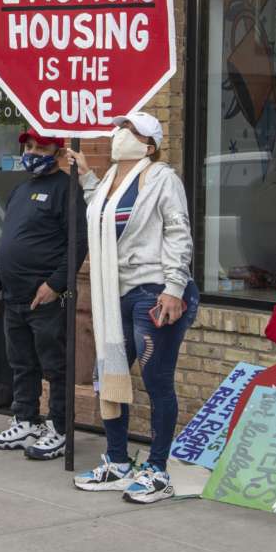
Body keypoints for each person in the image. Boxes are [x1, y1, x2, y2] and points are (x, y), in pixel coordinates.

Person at [69, 112, 200, 504]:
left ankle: (158, 470)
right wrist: (88, 177)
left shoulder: (163, 179)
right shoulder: (109, 181)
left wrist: (174, 287)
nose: (118, 134)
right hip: (115, 294)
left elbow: (178, 232)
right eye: (119, 128)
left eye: (129, 129)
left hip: (155, 292)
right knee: (108, 374)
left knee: (156, 377)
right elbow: (106, 219)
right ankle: (118, 461)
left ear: (149, 144)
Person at [0, 129, 87, 460]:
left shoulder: (68, 190)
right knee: (21, 363)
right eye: (29, 145)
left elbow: (78, 243)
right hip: (14, 296)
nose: (33, 151)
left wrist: (56, 284)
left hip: (46, 298)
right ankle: (26, 419)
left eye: (41, 146)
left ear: (57, 151)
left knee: (54, 365)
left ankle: (58, 427)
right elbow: (6, 242)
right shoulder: (20, 190)